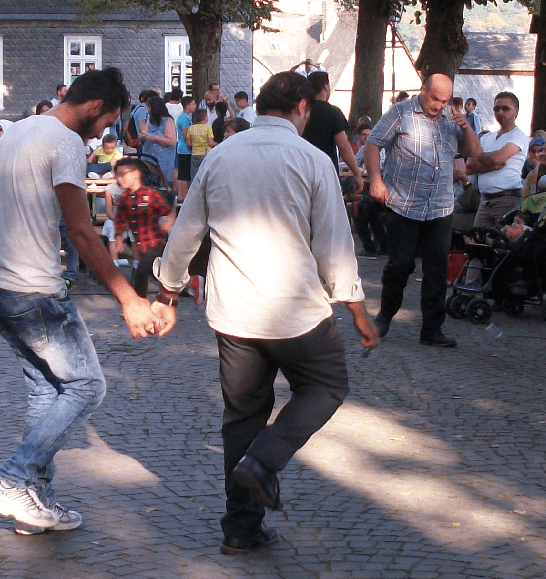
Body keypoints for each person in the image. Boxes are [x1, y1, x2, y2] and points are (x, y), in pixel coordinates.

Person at [148, 70, 375, 555]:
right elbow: (334, 246)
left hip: (234, 312)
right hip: (296, 310)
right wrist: (356, 308)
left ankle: (240, 529)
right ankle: (264, 461)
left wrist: (167, 292)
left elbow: (186, 233)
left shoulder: (219, 157)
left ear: (261, 107)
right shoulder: (313, 160)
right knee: (327, 385)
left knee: (243, 415)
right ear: (301, 109)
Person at [0, 66, 166, 535]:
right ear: (96, 107)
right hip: (34, 291)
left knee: (48, 390)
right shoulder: (63, 143)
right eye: (109, 122)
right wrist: (128, 299)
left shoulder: (18, 131)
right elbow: (81, 230)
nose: (105, 133)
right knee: (86, 387)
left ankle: (33, 502)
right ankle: (13, 479)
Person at [364, 73, 480, 348]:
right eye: (434, 98)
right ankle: (385, 316)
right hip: (404, 203)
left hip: (440, 206)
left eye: (444, 100)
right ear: (423, 90)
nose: (439, 105)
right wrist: (376, 180)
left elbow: (474, 152)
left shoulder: (452, 119)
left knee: (437, 269)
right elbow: (373, 144)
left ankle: (432, 329)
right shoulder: (401, 112)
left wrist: (466, 128)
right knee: (401, 264)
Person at [467, 92, 529, 230]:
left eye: (505, 108)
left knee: (502, 244)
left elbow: (496, 158)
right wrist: (491, 165)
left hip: (507, 199)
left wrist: (480, 154)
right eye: (496, 108)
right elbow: (469, 166)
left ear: (516, 111)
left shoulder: (518, 136)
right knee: (477, 241)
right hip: (485, 200)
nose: (500, 112)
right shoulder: (487, 137)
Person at [113, 158, 171, 297]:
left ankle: (139, 301)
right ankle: (187, 283)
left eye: (123, 174)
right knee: (154, 272)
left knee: (141, 272)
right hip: (142, 246)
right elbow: (120, 223)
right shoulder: (124, 199)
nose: (119, 179)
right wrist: (119, 240)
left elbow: (168, 210)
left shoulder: (151, 195)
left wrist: (169, 222)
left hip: (157, 242)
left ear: (136, 174)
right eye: (117, 175)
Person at [300, 72, 364, 195]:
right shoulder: (333, 113)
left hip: (302, 170)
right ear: (325, 86)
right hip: (326, 173)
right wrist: (356, 173)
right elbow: (343, 146)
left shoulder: (301, 112)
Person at [138, 96, 177, 188]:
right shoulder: (150, 120)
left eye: (148, 107)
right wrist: (142, 137)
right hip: (148, 158)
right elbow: (145, 133)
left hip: (162, 161)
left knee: (163, 185)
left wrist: (154, 137)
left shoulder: (168, 121)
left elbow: (171, 141)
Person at [174, 96, 198, 194]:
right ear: (187, 105)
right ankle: (182, 196)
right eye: (193, 103)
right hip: (185, 150)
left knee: (183, 173)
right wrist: (192, 145)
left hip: (183, 149)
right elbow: (186, 134)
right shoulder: (184, 118)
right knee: (184, 175)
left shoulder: (186, 116)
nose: (195, 106)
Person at [185, 107, 213, 179]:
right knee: (205, 176)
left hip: (195, 154)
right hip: (205, 153)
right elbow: (210, 142)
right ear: (205, 118)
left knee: (194, 176)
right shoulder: (208, 128)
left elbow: (188, 143)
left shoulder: (191, 128)